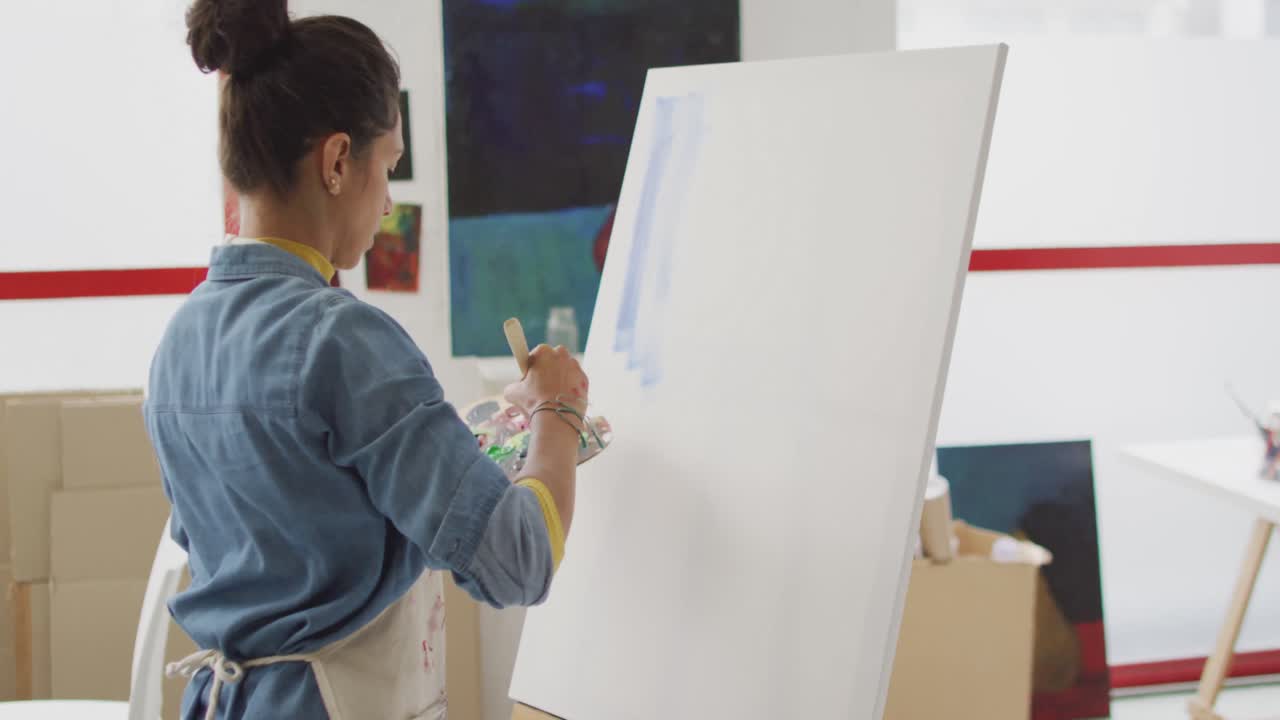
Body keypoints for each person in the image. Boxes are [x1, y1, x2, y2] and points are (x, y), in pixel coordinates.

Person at [145, 1, 589, 717]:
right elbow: (517, 559)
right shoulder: (343, 340)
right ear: (338, 160)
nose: (386, 204)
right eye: (388, 168)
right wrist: (559, 414)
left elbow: (273, 528)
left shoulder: (180, 341)